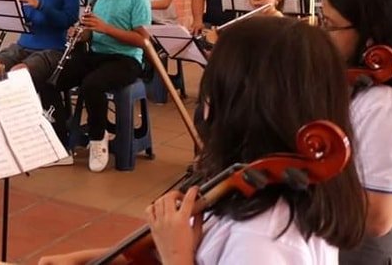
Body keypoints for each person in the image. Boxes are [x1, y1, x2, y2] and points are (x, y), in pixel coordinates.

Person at [40, 18, 366, 264]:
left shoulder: (262, 240)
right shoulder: (252, 190)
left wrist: (177, 254)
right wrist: (97, 258)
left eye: (212, 94)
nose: (204, 105)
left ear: (243, 110)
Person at [321, 0, 392, 264]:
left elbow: (378, 217)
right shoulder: (356, 84)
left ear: (370, 33)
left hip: (368, 249)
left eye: (330, 25)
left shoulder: (383, 104)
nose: (322, 33)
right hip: (343, 234)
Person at [54, 0, 152, 172]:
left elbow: (144, 40)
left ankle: (98, 139)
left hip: (127, 59)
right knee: (55, 78)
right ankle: (60, 138)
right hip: (98, 53)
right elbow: (90, 32)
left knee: (92, 84)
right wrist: (80, 33)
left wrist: (105, 28)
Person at [0, 0, 82, 150]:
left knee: (17, 74)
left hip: (54, 46)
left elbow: (70, 18)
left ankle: (34, 132)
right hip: (26, 41)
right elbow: (22, 13)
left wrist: (39, 4)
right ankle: (6, 128)